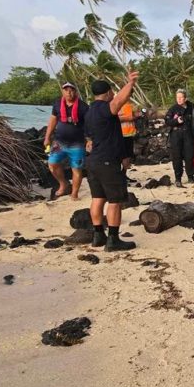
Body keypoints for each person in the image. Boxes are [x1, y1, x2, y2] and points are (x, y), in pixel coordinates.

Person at [83, 72, 139, 252]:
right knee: (115, 201)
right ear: (107, 93)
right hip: (107, 161)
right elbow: (118, 102)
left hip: (93, 161)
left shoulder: (90, 111)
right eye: (111, 92)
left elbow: (90, 138)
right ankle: (113, 239)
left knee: (97, 198)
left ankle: (98, 235)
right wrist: (130, 83)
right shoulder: (104, 108)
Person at [44, 82, 89, 200]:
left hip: (77, 144)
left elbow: (89, 125)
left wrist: (90, 139)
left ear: (76, 92)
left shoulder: (83, 107)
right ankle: (63, 183)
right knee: (52, 164)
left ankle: (74, 193)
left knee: (77, 169)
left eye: (72, 90)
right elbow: (52, 121)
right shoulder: (57, 104)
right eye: (66, 90)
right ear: (62, 91)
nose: (69, 92)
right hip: (59, 142)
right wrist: (47, 137)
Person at [163, 89, 194, 187]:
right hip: (176, 135)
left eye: (181, 97)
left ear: (185, 98)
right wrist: (176, 121)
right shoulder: (173, 108)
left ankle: (190, 176)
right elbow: (167, 121)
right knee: (177, 157)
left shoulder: (192, 108)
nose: (179, 99)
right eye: (177, 98)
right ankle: (178, 179)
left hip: (188, 134)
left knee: (189, 156)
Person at [119, 98, 139, 170]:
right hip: (121, 135)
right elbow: (115, 118)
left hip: (130, 134)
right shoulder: (118, 106)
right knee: (123, 156)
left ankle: (124, 175)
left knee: (128, 155)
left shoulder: (131, 105)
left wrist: (136, 116)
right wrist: (127, 118)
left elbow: (135, 116)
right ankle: (121, 176)